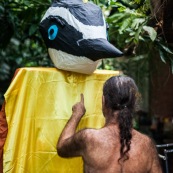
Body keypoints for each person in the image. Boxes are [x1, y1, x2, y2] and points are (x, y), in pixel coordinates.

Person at [57, 75, 163, 173]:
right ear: (134, 105)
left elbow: (61, 147)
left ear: (103, 101)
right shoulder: (147, 146)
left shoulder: (89, 138)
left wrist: (77, 114)